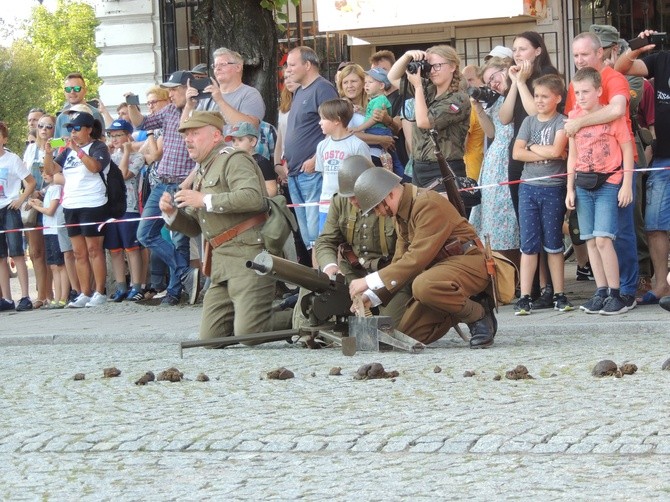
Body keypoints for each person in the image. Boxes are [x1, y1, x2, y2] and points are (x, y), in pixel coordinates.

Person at [158, 111, 288, 341]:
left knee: (249, 334)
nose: (188, 139)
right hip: (221, 263)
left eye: (195, 134)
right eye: (186, 135)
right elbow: (194, 227)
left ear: (216, 135)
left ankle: (304, 316)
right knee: (211, 338)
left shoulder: (234, 158)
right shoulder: (203, 170)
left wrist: (205, 200)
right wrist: (172, 214)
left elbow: (254, 198)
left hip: (249, 256)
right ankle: (253, 317)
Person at [348, 167, 496, 348]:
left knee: (423, 286)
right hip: (438, 275)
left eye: (377, 206)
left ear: (390, 194)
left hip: (467, 264)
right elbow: (401, 261)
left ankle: (478, 314)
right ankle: (454, 306)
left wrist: (368, 282)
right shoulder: (401, 213)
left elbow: (416, 259)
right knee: (403, 336)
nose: (378, 213)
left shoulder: (426, 204)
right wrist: (372, 295)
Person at [564, 31, 639, 310]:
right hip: (586, 170)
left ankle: (626, 291)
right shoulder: (577, 85)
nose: (579, 59)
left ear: (601, 53)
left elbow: (616, 111)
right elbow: (573, 125)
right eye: (575, 55)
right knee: (594, 237)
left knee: (621, 231)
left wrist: (578, 124)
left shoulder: (614, 78)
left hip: (618, 160)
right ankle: (603, 290)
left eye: (584, 54)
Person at [127, 70, 196, 306]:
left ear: (187, 89)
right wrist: (132, 104)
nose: (170, 93)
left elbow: (187, 128)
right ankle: (185, 272)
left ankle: (176, 292)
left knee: (179, 239)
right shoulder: (167, 111)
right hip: (162, 182)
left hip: (183, 183)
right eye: (169, 89)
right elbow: (141, 122)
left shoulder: (198, 110)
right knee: (145, 233)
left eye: (175, 89)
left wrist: (190, 102)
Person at [314, 155, 407, 327]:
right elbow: (326, 240)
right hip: (352, 274)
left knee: (392, 329)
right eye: (348, 196)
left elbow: (406, 253)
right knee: (314, 289)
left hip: (389, 277)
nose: (352, 201)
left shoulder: (391, 201)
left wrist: (376, 283)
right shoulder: (340, 201)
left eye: (355, 195)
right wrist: (330, 267)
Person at [614, 29, 670, 306]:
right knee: (655, 224)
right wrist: (637, 48)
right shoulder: (661, 60)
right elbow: (620, 68)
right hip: (663, 157)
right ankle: (662, 285)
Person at [511, 74, 572, 315]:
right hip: (528, 187)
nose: (539, 100)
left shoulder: (562, 121)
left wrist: (532, 147)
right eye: (536, 96)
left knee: (554, 244)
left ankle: (559, 293)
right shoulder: (528, 121)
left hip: (553, 188)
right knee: (528, 244)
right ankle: (525, 296)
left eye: (545, 96)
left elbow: (558, 150)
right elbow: (517, 153)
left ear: (557, 98)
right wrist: (543, 151)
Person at [43, 111, 110, 308]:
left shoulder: (98, 146)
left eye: (77, 128)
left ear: (89, 129)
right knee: (78, 252)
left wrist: (79, 151)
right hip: (71, 204)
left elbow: (95, 167)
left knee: (94, 249)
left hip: (93, 203)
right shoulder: (67, 151)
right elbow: (51, 170)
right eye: (70, 129)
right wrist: (48, 152)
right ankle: (84, 293)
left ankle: (99, 291)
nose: (73, 132)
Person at [387, 45, 470, 191]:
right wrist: (407, 55)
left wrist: (418, 87)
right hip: (419, 165)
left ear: (452, 67)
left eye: (437, 66)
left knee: (441, 213)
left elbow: (424, 122)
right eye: (429, 66)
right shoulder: (428, 88)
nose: (432, 71)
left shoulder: (458, 99)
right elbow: (392, 77)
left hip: (444, 167)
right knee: (422, 213)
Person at [283, 46, 339, 252]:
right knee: (308, 238)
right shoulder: (298, 91)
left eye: (292, 64)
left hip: (312, 172)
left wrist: (317, 159)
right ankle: (316, 281)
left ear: (307, 65)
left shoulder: (323, 88)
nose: (288, 70)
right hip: (295, 172)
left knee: (318, 237)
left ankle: (326, 280)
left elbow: (334, 127)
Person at [500, 31, 560, 218]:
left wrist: (523, 83)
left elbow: (536, 112)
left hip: (543, 150)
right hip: (519, 148)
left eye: (523, 49)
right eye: (514, 50)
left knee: (546, 217)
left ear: (537, 51)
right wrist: (515, 83)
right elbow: (504, 118)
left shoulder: (547, 74)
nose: (517, 54)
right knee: (523, 213)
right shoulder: (517, 79)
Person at [468, 58, 519, 263]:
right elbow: (491, 132)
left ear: (505, 69)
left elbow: (507, 120)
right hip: (493, 162)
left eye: (494, 78)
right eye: (488, 83)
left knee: (510, 218)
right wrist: (478, 107)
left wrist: (514, 83)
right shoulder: (495, 99)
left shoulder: (517, 91)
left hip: (509, 158)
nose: (493, 84)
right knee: (492, 219)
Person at [104, 119, 146, 302]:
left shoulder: (137, 157)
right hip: (109, 208)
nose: (114, 139)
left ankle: (136, 286)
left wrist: (127, 151)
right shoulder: (108, 156)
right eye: (112, 135)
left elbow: (123, 175)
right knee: (114, 249)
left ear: (128, 136)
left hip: (129, 207)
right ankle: (121, 286)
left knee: (131, 247)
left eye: (118, 135)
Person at [315, 98, 370, 232]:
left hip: (349, 206)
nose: (319, 122)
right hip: (326, 205)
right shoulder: (322, 145)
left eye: (323, 118)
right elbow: (323, 173)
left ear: (336, 120)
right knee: (324, 240)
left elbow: (367, 176)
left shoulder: (357, 145)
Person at [0, 121, 37, 312]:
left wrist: (21, 199)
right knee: (0, 256)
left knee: (17, 252)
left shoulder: (12, 159)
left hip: (9, 208)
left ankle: (25, 296)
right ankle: (6, 298)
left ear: (4, 139)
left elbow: (30, 182)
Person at [22, 113, 57, 309]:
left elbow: (57, 174)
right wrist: (28, 194)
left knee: (51, 250)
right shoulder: (29, 150)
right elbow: (24, 175)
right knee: (35, 252)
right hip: (32, 202)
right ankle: (42, 294)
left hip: (51, 199)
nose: (43, 129)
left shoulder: (58, 146)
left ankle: (54, 293)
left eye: (48, 126)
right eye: (41, 126)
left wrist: (41, 192)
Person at [27, 170, 69, 309]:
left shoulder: (57, 188)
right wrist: (39, 203)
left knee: (60, 266)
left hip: (56, 230)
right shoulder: (50, 189)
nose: (44, 175)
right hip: (48, 230)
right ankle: (56, 299)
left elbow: (50, 211)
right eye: (42, 172)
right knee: (53, 266)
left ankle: (63, 296)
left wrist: (35, 206)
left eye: (48, 172)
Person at [348, 68, 401, 174]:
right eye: (365, 82)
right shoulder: (374, 100)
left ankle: (401, 179)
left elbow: (374, 118)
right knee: (392, 161)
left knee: (391, 162)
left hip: (377, 131)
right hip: (378, 131)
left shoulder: (380, 100)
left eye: (370, 82)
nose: (366, 85)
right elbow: (370, 115)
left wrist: (358, 129)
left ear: (381, 86)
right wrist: (362, 111)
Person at [225, 121, 279, 197]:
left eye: (240, 140)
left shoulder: (262, 162)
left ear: (253, 141)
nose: (235, 144)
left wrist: (254, 199)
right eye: (233, 140)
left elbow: (272, 190)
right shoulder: (231, 162)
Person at [54, 73, 104, 138]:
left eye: (77, 88)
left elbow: (102, 140)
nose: (72, 92)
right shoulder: (61, 117)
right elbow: (56, 145)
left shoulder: (94, 114)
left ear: (85, 91)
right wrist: (53, 143)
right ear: (64, 92)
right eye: (68, 89)